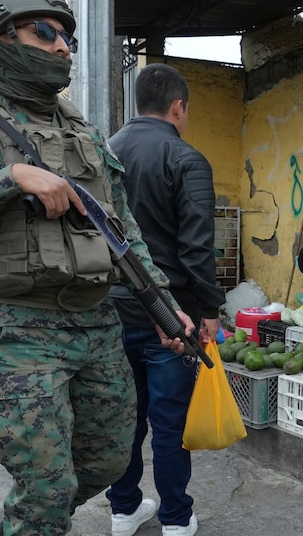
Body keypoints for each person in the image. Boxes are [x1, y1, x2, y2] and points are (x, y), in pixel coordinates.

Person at [0, 0, 194, 536]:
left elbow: (123, 230)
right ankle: (36, 518)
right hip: (16, 327)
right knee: (45, 489)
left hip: (97, 321)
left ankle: (36, 517)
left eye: (68, 37)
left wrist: (164, 307)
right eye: (45, 32)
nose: (63, 48)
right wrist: (8, 180)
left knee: (108, 462)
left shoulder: (80, 129)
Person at [103, 63, 224, 536]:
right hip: (169, 317)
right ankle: (175, 518)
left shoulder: (103, 151)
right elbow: (197, 248)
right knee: (170, 422)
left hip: (110, 309)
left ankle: (123, 509)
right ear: (178, 106)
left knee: (124, 417)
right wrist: (210, 309)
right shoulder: (185, 158)